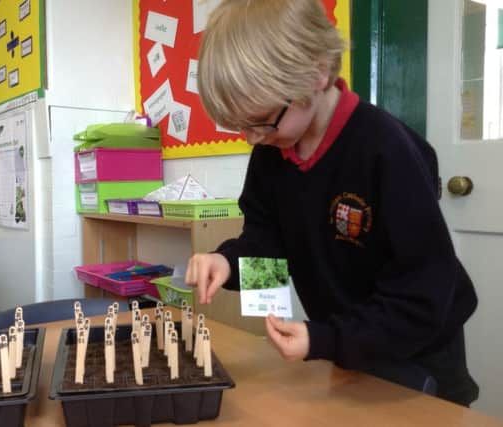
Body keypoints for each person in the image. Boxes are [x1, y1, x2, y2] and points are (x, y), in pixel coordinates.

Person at [185, 0, 479, 407]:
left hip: (422, 355)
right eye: (240, 127)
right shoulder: (272, 153)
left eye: (262, 121)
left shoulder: (385, 150)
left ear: (318, 73)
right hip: (349, 347)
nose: (253, 138)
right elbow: (269, 253)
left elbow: (423, 297)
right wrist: (228, 263)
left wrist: (325, 338)